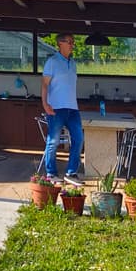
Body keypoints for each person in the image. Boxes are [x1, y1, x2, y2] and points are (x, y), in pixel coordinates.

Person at [41, 33, 84, 185]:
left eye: (73, 42)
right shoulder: (52, 62)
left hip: (73, 108)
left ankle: (71, 173)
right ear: (60, 43)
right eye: (70, 42)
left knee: (79, 139)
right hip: (56, 108)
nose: (72, 45)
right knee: (53, 141)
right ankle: (51, 173)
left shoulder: (73, 63)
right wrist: (45, 104)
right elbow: (45, 84)